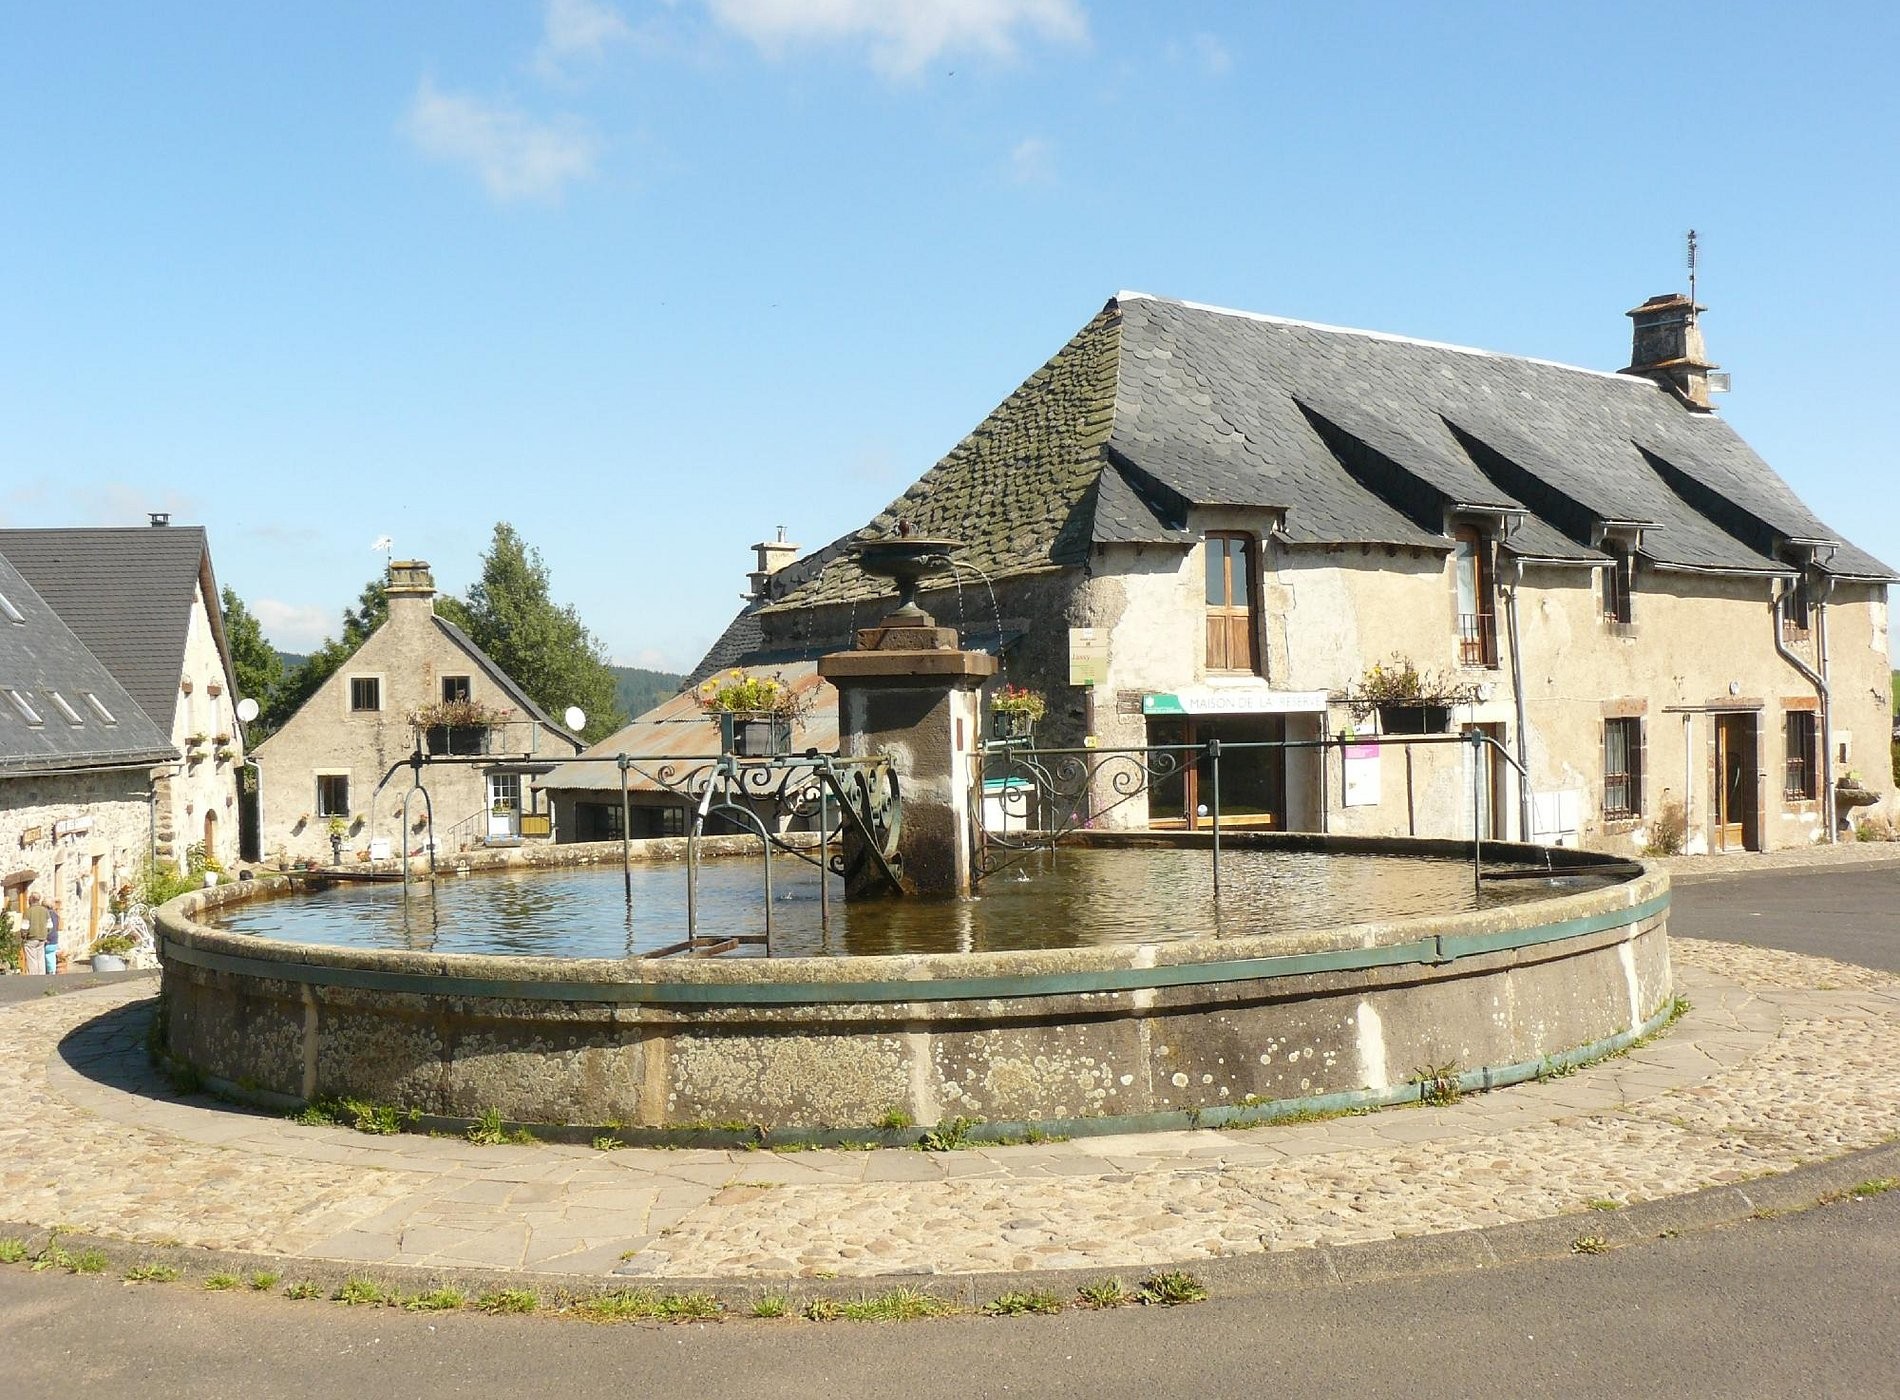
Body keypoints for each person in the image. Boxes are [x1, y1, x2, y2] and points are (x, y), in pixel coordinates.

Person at [22, 892, 49, 976]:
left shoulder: (28, 911)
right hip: (42, 938)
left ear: (31, 899)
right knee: (40, 958)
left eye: (29, 898)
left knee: (32, 959)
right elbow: (50, 925)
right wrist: (46, 933)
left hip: (31, 938)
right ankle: (41, 975)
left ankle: (34, 977)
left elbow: (25, 927)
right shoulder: (45, 911)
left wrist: (23, 936)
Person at [44, 902, 60, 976]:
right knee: (52, 956)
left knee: (47, 956)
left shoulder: (46, 915)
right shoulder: (56, 915)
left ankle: (50, 973)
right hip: (55, 939)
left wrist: (45, 938)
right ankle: (52, 972)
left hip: (49, 940)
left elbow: (49, 929)